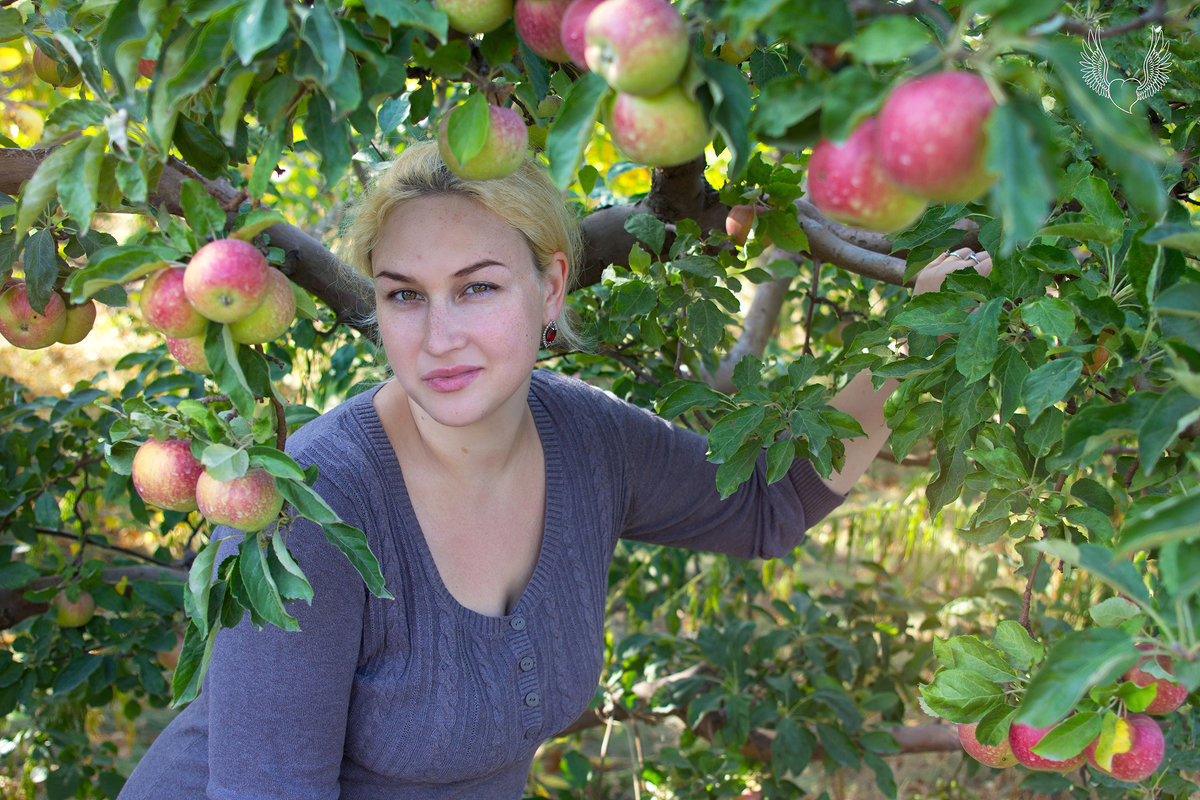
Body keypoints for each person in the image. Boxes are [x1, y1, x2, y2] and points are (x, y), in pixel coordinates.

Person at [118, 141, 991, 798]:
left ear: (554, 289)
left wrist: (926, 330)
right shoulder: (309, 512)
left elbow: (770, 503)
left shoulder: (585, 440)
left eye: (479, 287)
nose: (440, 335)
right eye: (404, 295)